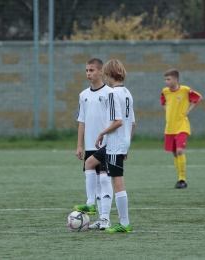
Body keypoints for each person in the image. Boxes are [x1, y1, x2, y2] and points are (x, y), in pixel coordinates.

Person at [85, 59, 136, 232]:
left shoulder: (114, 94)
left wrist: (102, 133)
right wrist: (126, 145)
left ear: (108, 74)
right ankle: (91, 203)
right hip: (121, 142)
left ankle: (124, 224)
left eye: (106, 74)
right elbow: (132, 124)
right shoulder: (128, 93)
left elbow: (118, 122)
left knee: (118, 184)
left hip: (114, 144)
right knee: (90, 163)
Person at [74, 58, 113, 229]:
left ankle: (105, 218)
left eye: (92, 70)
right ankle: (100, 219)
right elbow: (81, 121)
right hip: (90, 145)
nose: (89, 73)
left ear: (101, 72)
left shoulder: (109, 93)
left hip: (106, 144)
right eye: (86, 70)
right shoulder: (83, 95)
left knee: (104, 179)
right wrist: (79, 145)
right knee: (96, 182)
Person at [160, 69, 202, 189]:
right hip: (170, 127)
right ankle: (179, 179)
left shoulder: (185, 90)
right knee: (174, 153)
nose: (166, 82)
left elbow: (198, 98)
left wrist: (189, 109)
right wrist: (167, 110)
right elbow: (163, 101)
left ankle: (182, 179)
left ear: (175, 80)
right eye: (165, 79)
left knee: (179, 151)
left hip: (182, 125)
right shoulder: (165, 91)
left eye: (168, 79)